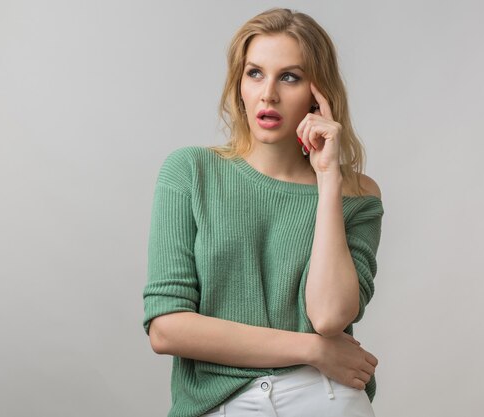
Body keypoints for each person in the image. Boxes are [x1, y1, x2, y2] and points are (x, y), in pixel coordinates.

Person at [142, 7, 384, 417]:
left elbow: (328, 316)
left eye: (289, 76)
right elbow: (167, 327)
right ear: (239, 84)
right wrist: (312, 349)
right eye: (255, 73)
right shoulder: (190, 172)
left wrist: (328, 180)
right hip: (221, 402)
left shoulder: (356, 194)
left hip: (323, 395)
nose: (268, 93)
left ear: (317, 91)